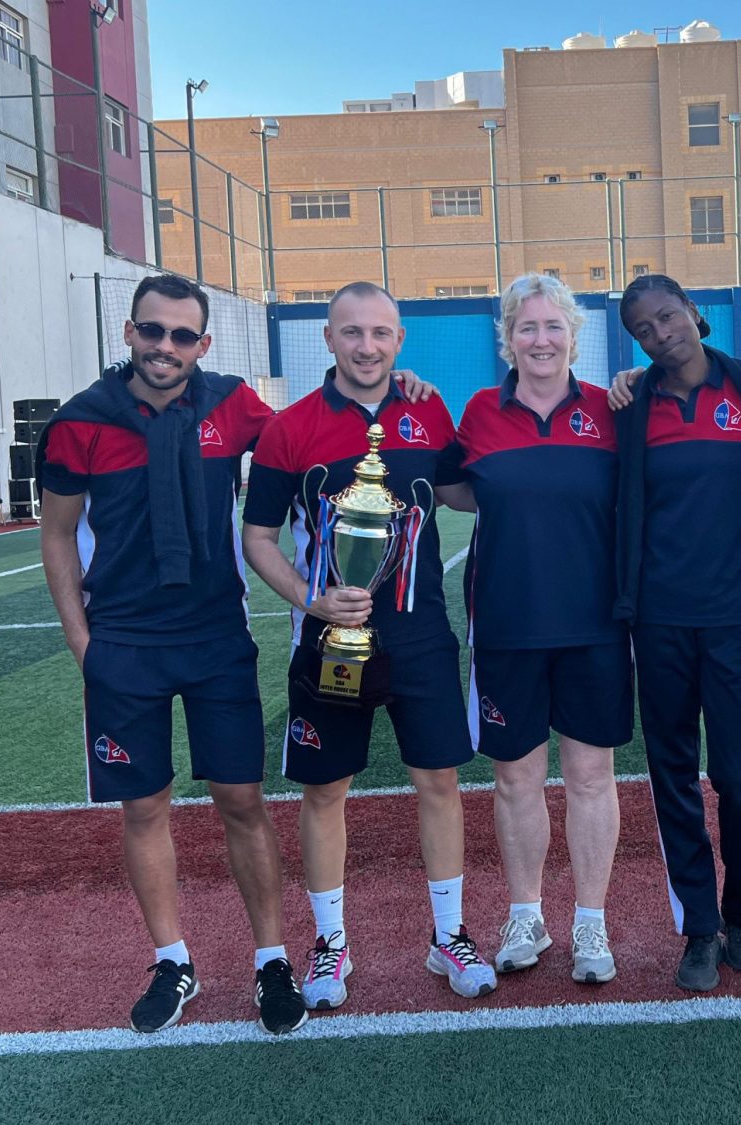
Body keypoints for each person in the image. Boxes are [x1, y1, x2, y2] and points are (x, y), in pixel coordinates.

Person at [37, 274, 307, 1036]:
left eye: (181, 335)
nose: (165, 347)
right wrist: (82, 642)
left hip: (217, 637)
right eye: (152, 331)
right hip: (123, 643)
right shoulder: (80, 421)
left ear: (204, 344)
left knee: (242, 802)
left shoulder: (232, 405)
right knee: (144, 806)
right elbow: (56, 535)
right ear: (128, 332)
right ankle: (173, 958)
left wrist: (390, 389)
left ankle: (271, 960)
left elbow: (308, 436)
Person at [241, 282, 497, 1004]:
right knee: (325, 791)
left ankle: (448, 936)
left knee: (440, 783)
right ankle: (330, 946)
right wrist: (308, 597)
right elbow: (256, 535)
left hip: (420, 635)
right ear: (327, 339)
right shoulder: (289, 428)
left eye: (381, 332)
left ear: (400, 340)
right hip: (330, 640)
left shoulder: (426, 408)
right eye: (351, 332)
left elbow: (457, 492)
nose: (367, 346)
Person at [612, 274, 741, 991]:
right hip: (657, 619)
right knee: (673, 777)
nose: (661, 334)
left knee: (739, 775)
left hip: (735, 617)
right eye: (644, 329)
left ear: (694, 313)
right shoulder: (630, 409)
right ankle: (699, 927)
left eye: (668, 316)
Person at [445, 273, 632, 985]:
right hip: (507, 624)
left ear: (575, 335)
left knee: (590, 776)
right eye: (527, 327)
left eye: (554, 326)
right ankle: (526, 913)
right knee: (515, 778)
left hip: (595, 626)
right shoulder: (479, 413)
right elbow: (458, 486)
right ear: (507, 337)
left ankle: (591, 921)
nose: (541, 339)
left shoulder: (612, 410)